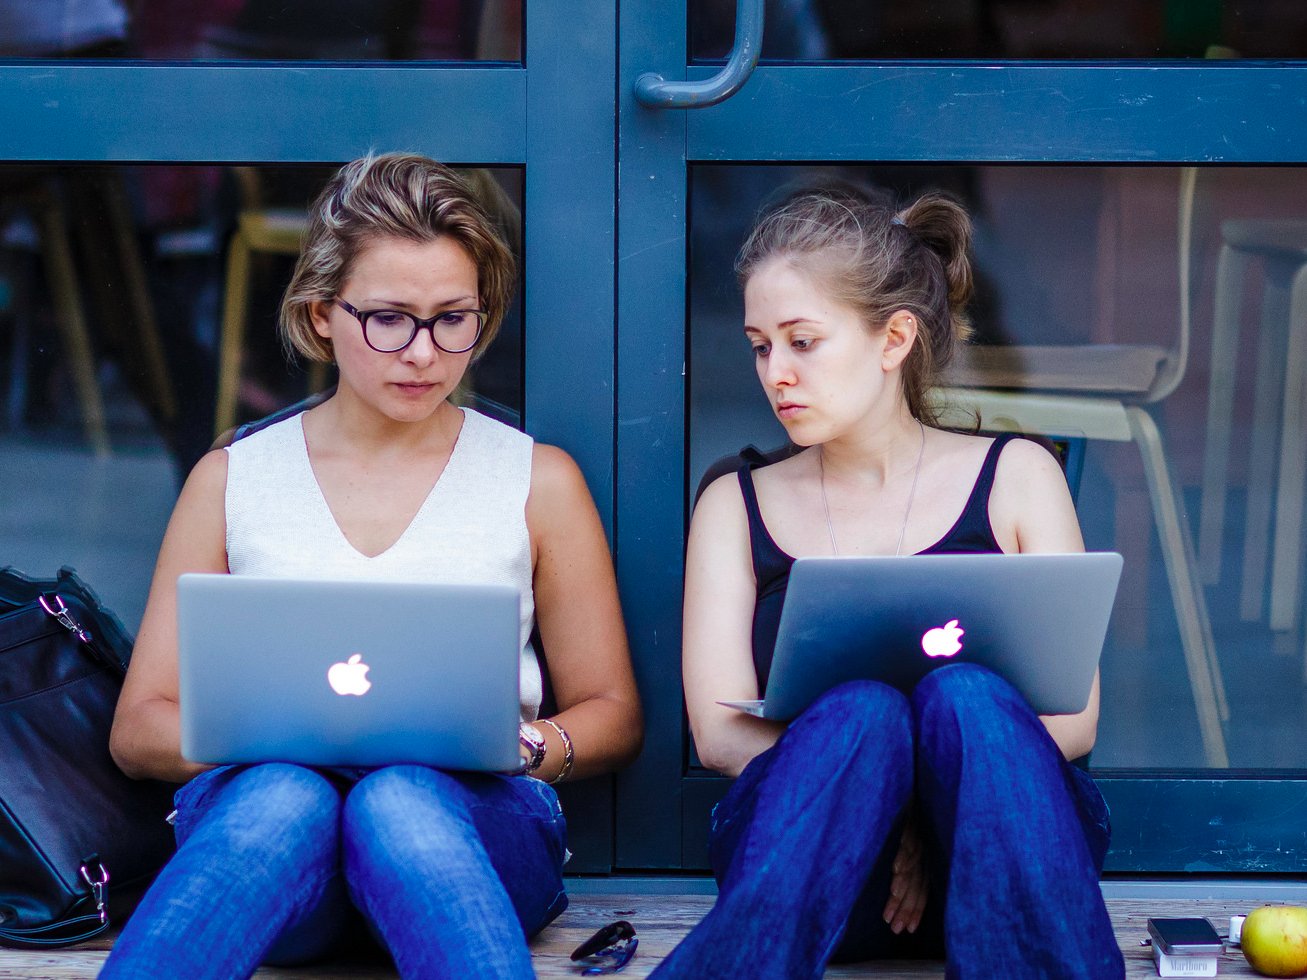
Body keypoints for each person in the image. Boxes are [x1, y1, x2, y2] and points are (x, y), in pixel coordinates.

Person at [103, 153, 643, 979]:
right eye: (389, 318)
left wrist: (527, 745)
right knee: (288, 795)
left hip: (476, 841)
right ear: (322, 314)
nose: (424, 353)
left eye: (452, 318)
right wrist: (295, 744)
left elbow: (611, 711)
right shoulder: (232, 479)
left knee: (400, 795)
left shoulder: (537, 480)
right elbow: (140, 728)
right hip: (278, 855)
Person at [653, 186, 1124, 978]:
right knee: (859, 715)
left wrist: (933, 807)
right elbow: (718, 732)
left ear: (893, 337)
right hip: (818, 865)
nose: (777, 373)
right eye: (760, 345)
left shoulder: (1015, 475)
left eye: (803, 341)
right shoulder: (734, 502)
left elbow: (1074, 719)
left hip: (1004, 851)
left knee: (966, 697)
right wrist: (885, 801)